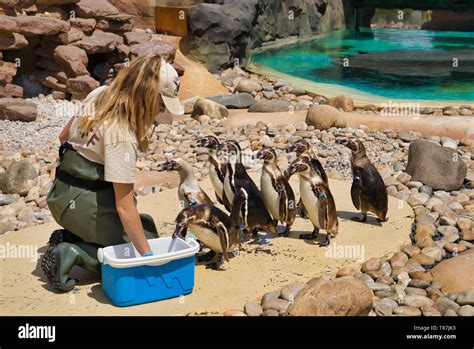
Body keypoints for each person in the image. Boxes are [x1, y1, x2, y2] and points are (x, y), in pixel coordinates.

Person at [41, 53, 184, 292]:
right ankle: (72, 252)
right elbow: (124, 206)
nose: (161, 111)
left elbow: (63, 136)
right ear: (148, 95)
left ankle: (73, 236)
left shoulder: (101, 94)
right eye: (161, 103)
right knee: (131, 252)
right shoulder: (122, 134)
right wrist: (148, 261)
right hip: (82, 206)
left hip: (59, 196)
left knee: (146, 226)